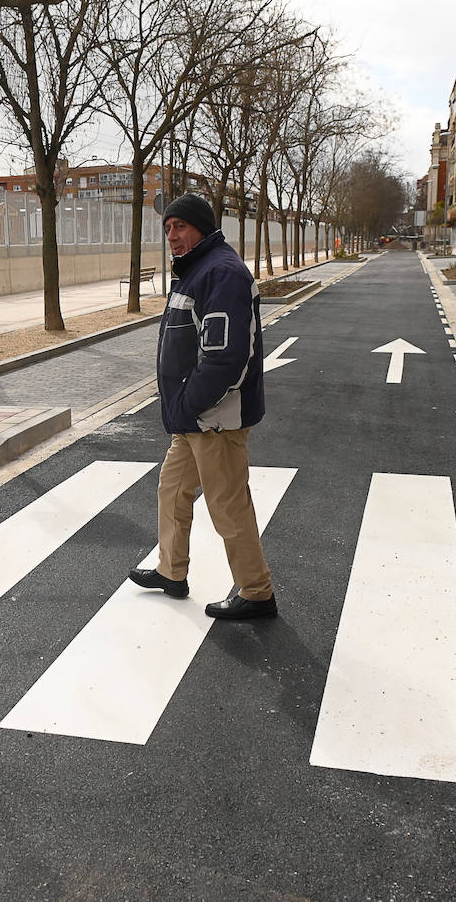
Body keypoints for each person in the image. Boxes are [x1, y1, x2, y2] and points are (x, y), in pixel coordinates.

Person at [128, 192, 275, 620]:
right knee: (172, 491)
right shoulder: (196, 271)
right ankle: (172, 573)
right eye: (168, 227)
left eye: (181, 226)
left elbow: (227, 358)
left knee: (228, 507)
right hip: (192, 419)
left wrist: (190, 404)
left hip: (215, 419)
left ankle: (257, 592)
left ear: (203, 228)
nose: (172, 235)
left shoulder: (221, 274)